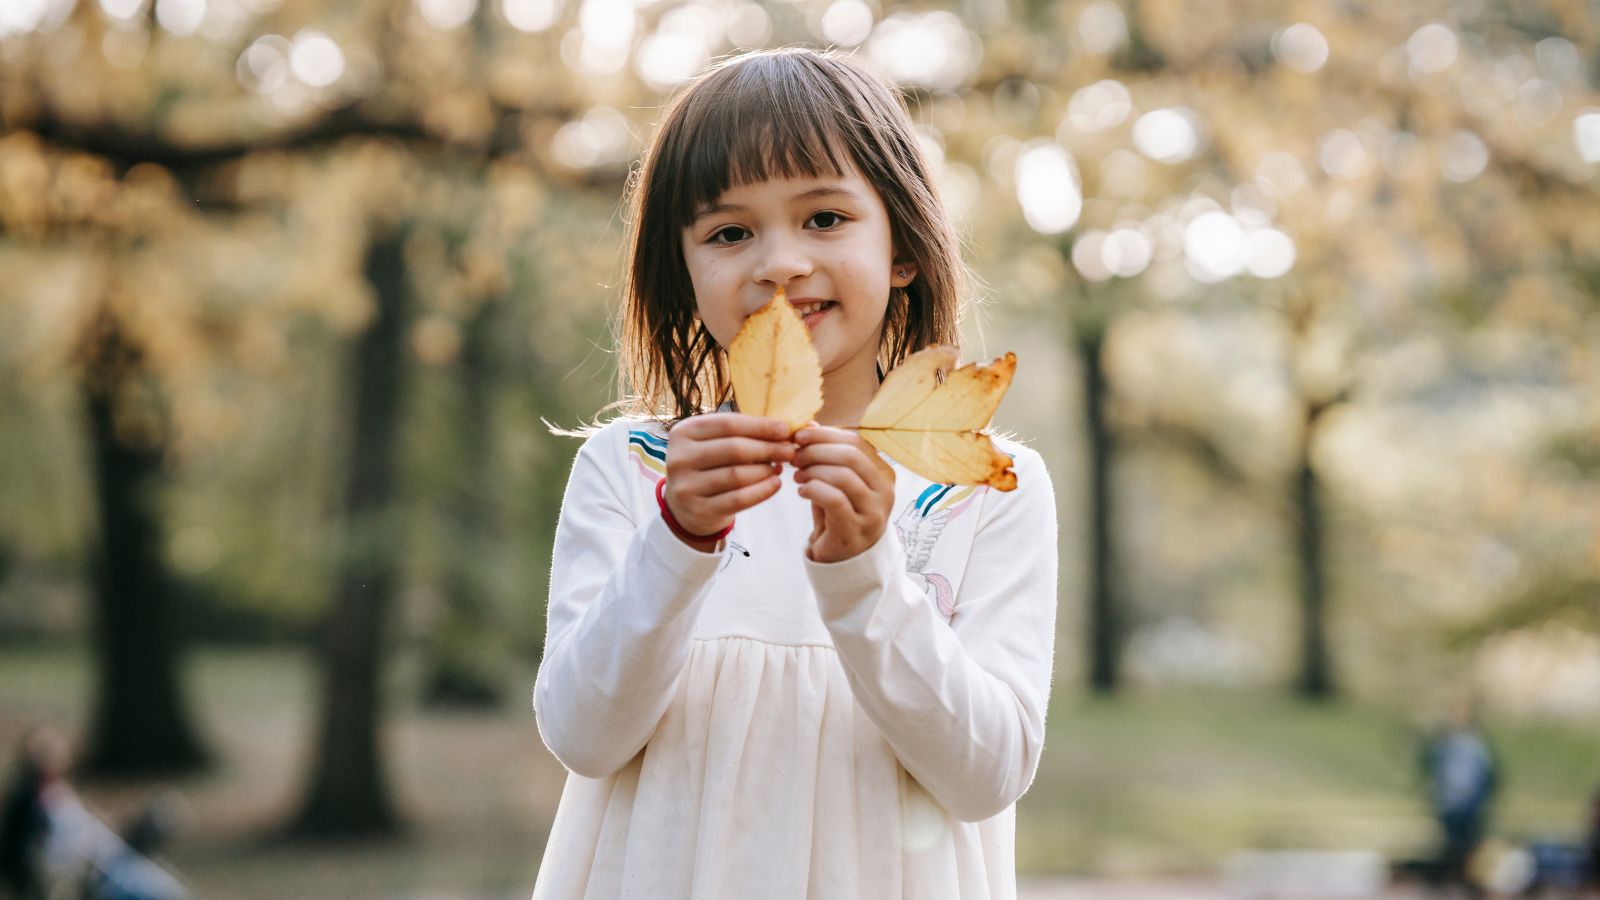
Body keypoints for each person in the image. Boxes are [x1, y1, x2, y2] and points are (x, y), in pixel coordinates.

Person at [529, 48, 1059, 900]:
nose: (778, 261)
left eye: (824, 218)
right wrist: (677, 541)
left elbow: (987, 773)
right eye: (730, 232)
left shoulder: (981, 490)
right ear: (684, 272)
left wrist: (865, 574)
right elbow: (583, 737)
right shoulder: (634, 472)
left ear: (903, 249)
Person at [1418, 694, 1499, 897]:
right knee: (1452, 845)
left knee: (1468, 847)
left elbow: (1488, 775)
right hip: (1450, 803)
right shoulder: (1445, 744)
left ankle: (1468, 882)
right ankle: (1452, 881)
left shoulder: (1474, 745)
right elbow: (1432, 768)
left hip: (1468, 804)